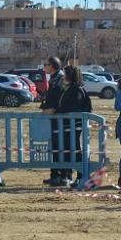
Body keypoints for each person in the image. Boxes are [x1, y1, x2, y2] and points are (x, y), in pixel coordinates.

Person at [56, 65, 93, 189]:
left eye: (65, 74)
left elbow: (74, 107)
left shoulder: (76, 89)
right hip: (68, 125)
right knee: (70, 149)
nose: (63, 77)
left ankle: (81, 175)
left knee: (75, 150)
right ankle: (69, 175)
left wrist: (60, 112)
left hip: (73, 125)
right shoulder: (69, 88)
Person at [39, 56, 67, 186]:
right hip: (53, 118)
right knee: (54, 147)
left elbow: (62, 97)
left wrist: (54, 109)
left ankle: (63, 175)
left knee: (61, 146)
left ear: (53, 66)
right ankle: (54, 175)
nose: (44, 67)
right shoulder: (54, 78)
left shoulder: (60, 78)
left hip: (60, 119)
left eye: (46, 64)